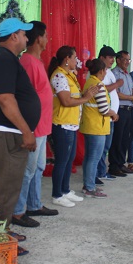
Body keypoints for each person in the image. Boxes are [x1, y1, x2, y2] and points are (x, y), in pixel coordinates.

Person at [0, 17, 39, 256]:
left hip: (9, 133)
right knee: (5, 189)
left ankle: (0, 232)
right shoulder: (3, 59)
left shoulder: (7, 59)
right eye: (24, 34)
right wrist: (26, 131)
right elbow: (6, 99)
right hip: (6, 133)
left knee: (9, 187)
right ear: (14, 36)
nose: (27, 38)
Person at [11, 21, 58, 229]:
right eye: (46, 36)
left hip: (43, 125)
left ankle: (34, 204)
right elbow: (22, 96)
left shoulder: (37, 61)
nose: (47, 40)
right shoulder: (28, 62)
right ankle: (18, 212)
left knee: (38, 168)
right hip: (33, 127)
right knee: (27, 170)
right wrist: (26, 128)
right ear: (38, 38)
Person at [48, 46, 99, 208]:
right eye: (74, 57)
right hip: (62, 124)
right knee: (62, 161)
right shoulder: (59, 76)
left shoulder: (69, 76)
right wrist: (86, 98)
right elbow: (66, 101)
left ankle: (65, 190)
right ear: (66, 59)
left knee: (69, 160)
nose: (76, 60)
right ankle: (57, 194)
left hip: (71, 124)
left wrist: (86, 96)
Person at [81, 58, 118, 198]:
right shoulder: (98, 85)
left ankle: (88, 185)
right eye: (105, 71)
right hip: (96, 127)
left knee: (89, 157)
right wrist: (113, 113)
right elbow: (103, 109)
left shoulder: (89, 82)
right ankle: (90, 187)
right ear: (102, 71)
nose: (105, 74)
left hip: (91, 125)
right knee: (94, 157)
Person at [108, 51, 133, 176]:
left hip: (129, 109)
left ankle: (121, 163)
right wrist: (132, 98)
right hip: (120, 109)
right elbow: (116, 93)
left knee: (125, 139)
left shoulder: (127, 75)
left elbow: (131, 91)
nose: (127, 62)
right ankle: (114, 165)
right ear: (118, 60)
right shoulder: (115, 74)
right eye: (125, 59)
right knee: (117, 138)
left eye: (128, 60)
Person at [96, 46, 123, 182]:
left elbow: (112, 92)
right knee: (100, 148)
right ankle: (99, 172)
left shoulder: (109, 72)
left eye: (113, 57)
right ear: (102, 58)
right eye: (110, 57)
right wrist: (117, 84)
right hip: (103, 115)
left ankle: (102, 171)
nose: (113, 60)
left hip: (111, 115)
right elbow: (101, 89)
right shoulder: (97, 72)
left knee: (106, 146)